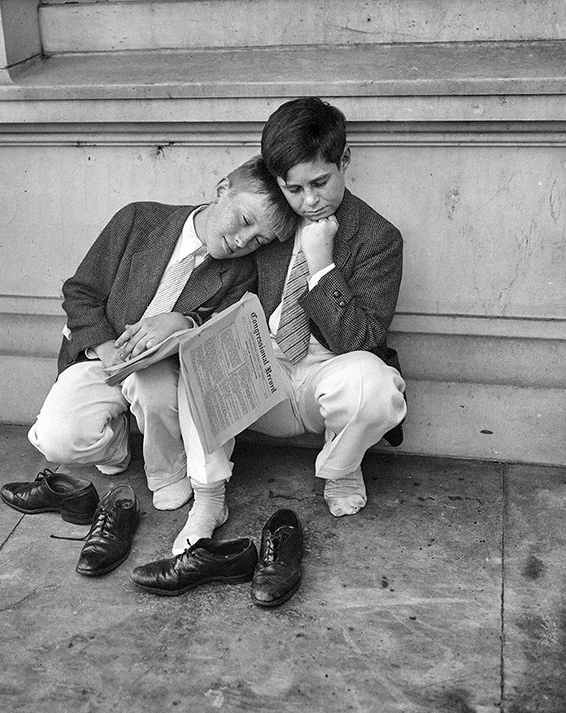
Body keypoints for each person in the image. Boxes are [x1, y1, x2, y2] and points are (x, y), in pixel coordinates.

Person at [172, 97, 407, 554]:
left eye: (320, 183)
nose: (309, 201)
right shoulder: (271, 224)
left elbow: (361, 340)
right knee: (197, 362)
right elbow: (220, 292)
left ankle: (340, 467)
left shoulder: (379, 238)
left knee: (377, 385)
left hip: (329, 375)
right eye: (294, 189)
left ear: (344, 160)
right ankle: (208, 498)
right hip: (265, 377)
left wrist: (321, 267)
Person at [24, 156, 297, 513]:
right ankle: (117, 442)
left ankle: (168, 471)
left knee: (153, 391)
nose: (243, 240)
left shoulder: (240, 270)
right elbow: (80, 292)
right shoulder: (138, 220)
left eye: (259, 240)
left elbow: (224, 330)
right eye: (244, 220)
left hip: (162, 367)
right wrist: (107, 349)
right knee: (57, 440)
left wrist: (183, 323)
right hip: (101, 354)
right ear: (221, 191)